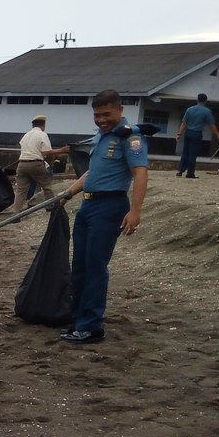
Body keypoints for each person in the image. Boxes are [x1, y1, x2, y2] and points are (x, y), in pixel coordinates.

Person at [55, 90, 149, 345]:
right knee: (81, 266)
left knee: (95, 266)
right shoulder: (102, 136)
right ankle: (77, 318)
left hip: (110, 206)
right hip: (88, 206)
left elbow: (140, 173)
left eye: (106, 114)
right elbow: (91, 174)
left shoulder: (130, 138)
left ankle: (91, 325)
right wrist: (68, 193)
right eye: (97, 115)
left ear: (119, 110)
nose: (101, 120)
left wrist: (135, 211)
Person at [11, 115, 70, 213]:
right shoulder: (42, 134)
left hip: (22, 164)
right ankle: (50, 207)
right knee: (47, 186)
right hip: (36, 163)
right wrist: (62, 150)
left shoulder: (26, 135)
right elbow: (47, 151)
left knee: (20, 191)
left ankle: (16, 213)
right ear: (43, 125)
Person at [176, 93, 219, 178]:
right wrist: (218, 134)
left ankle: (180, 170)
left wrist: (179, 134)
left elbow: (184, 123)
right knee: (193, 153)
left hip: (188, 132)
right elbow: (211, 125)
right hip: (196, 133)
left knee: (185, 152)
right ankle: (190, 173)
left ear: (197, 99)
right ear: (206, 100)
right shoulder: (207, 111)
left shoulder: (189, 109)